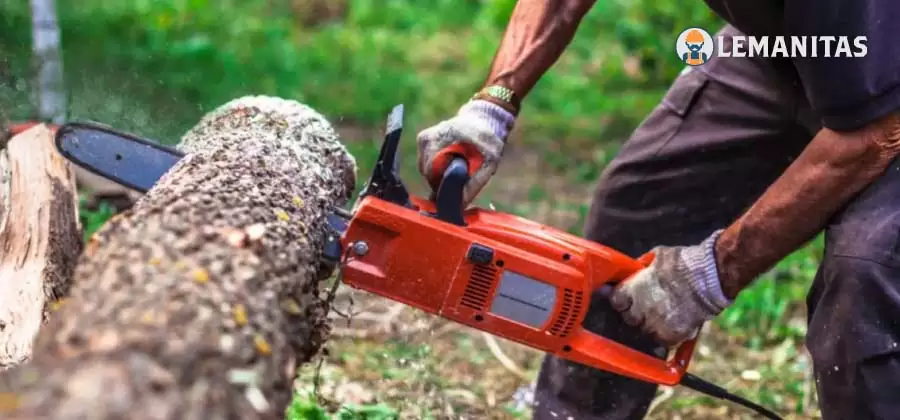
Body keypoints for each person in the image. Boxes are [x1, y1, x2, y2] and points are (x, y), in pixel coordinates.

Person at [415, 1, 900, 419]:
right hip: (789, 48)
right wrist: (495, 104)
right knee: (639, 205)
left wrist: (714, 271)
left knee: (863, 282)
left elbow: (872, 134)